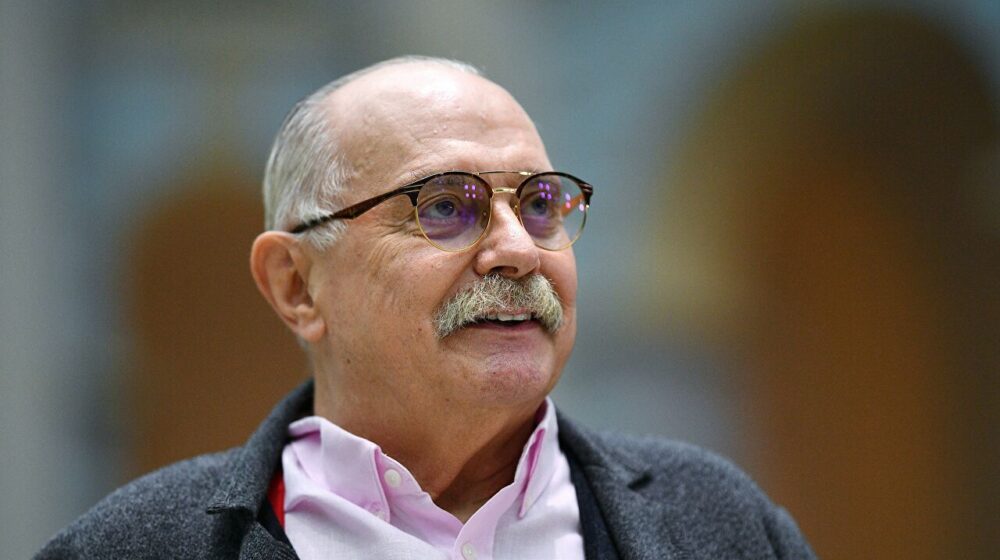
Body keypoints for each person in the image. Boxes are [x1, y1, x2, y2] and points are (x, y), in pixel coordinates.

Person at [36, 56, 815, 559]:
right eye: (446, 206)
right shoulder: (133, 547)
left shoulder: (721, 524)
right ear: (297, 285)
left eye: (540, 204)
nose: (518, 250)